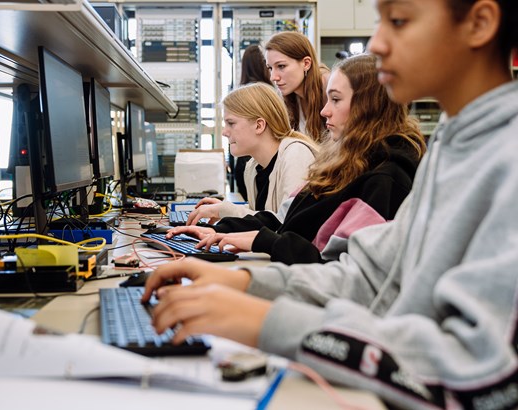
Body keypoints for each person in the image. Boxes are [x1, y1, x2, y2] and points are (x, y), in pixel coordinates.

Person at [143, 0, 518, 408]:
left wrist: (268, 322)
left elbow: (482, 376)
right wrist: (249, 284)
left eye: (398, 21)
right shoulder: (454, 143)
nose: (377, 41)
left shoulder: (506, 158)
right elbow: (371, 279)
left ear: (479, 24)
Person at [173, 53, 426, 265]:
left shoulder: (385, 179)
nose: (324, 111)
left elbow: (340, 267)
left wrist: (263, 241)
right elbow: (285, 219)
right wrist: (217, 231)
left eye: (336, 100)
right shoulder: (344, 164)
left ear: (369, 107)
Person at [187, 82, 319, 226]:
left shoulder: (296, 155)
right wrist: (223, 209)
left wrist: (225, 210)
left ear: (259, 125)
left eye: (231, 123)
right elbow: (261, 217)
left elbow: (286, 223)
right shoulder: (252, 167)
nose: (225, 132)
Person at [264, 31, 330, 142]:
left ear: (306, 63)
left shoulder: (328, 87)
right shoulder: (288, 96)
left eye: (281, 66)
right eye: (270, 68)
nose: (273, 77)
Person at [234, 44, 273, 202]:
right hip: (261, 162)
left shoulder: (239, 93)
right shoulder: (269, 93)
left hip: (243, 161)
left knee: (250, 208)